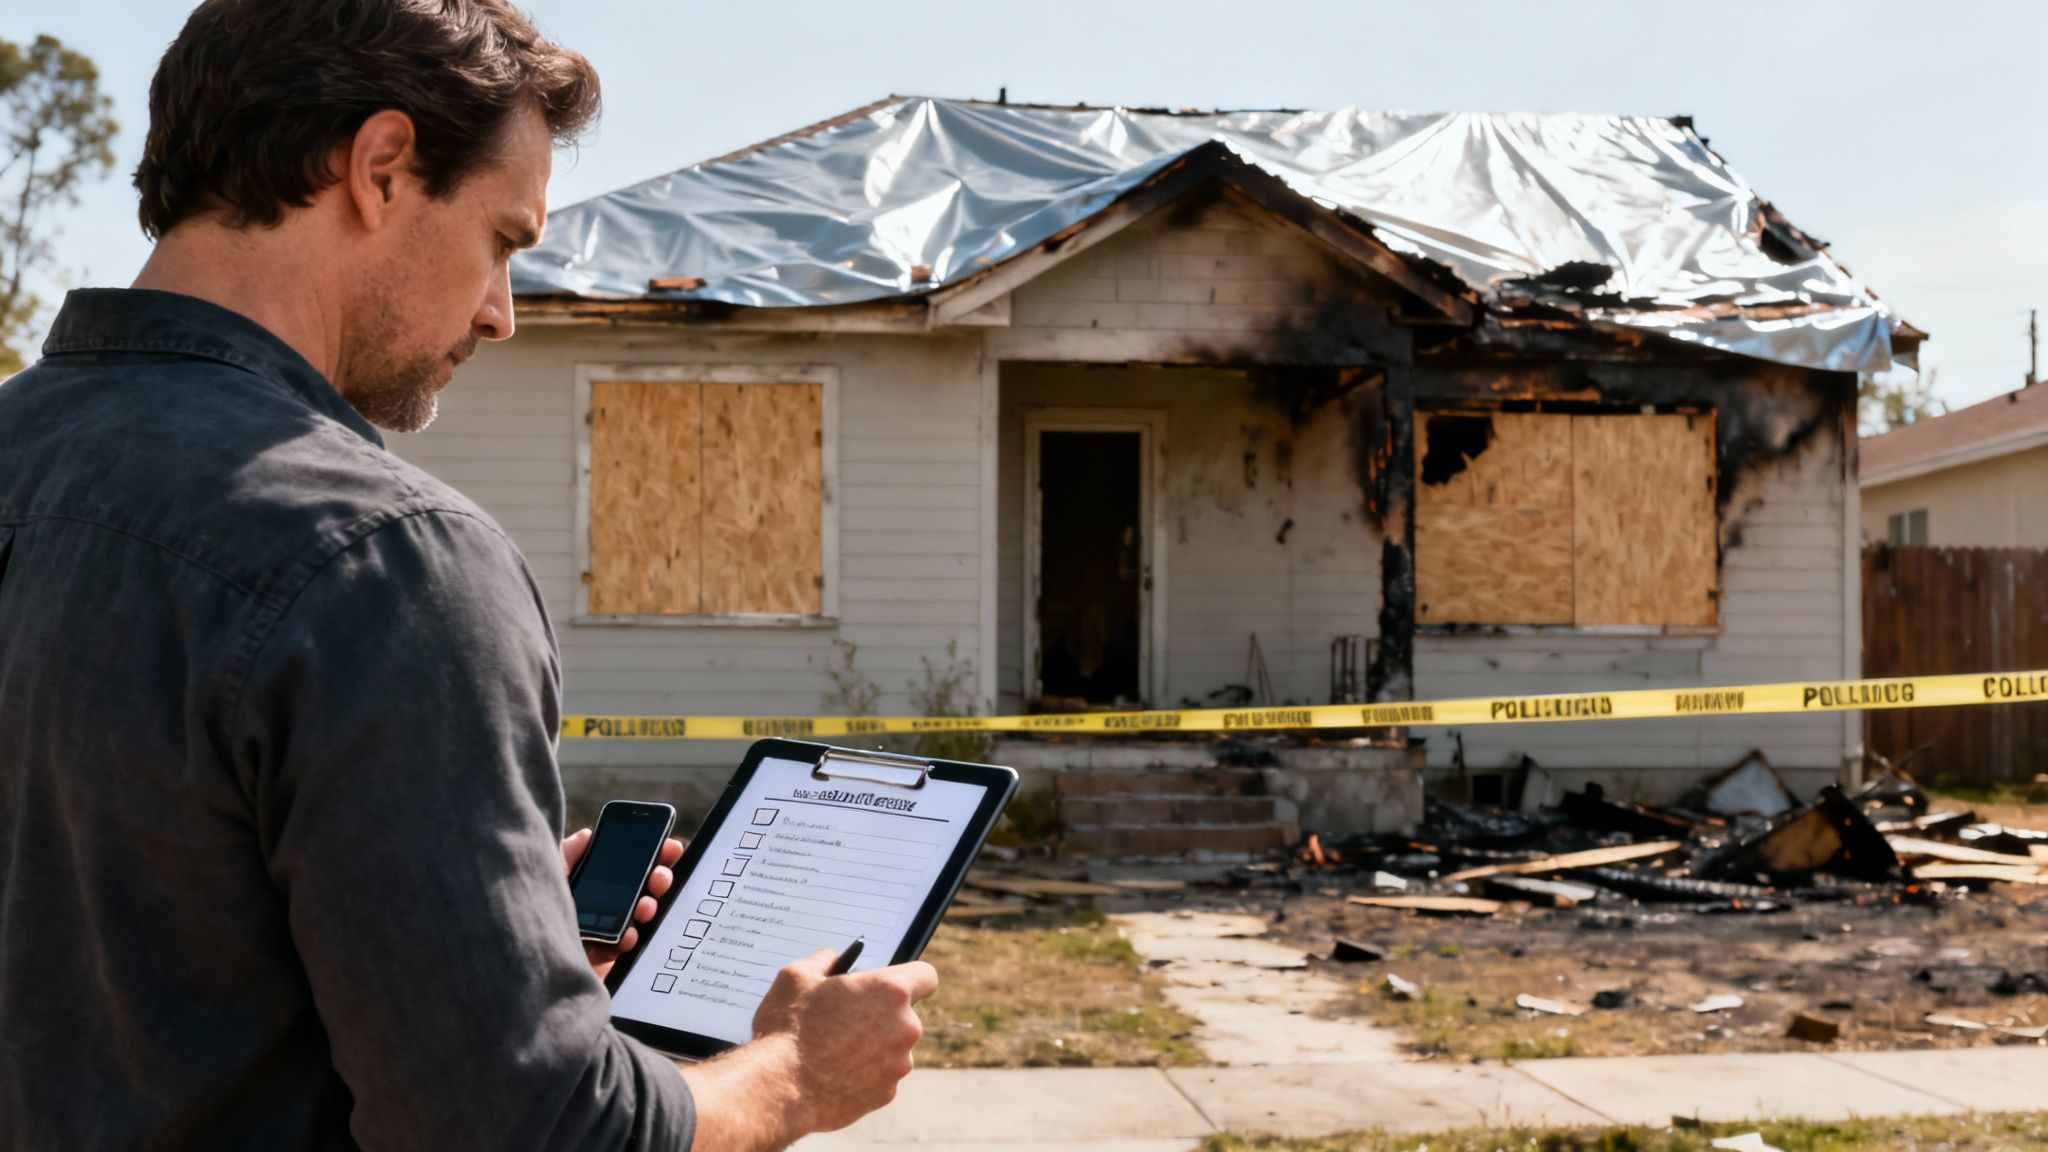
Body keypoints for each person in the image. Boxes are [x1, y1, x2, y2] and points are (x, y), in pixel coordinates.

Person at [0, 2, 935, 1148]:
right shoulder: (385, 560)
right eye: (501, 239)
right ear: (382, 167)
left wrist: (453, 938)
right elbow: (529, 1127)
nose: (499, 313)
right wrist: (794, 1070)